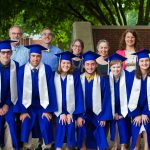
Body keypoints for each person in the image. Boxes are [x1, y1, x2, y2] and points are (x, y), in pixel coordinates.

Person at [15, 44, 57, 150]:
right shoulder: (21, 70)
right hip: (27, 105)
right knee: (26, 121)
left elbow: (51, 90)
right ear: (29, 56)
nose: (35, 58)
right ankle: (27, 146)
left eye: (38, 56)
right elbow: (19, 91)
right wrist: (23, 111)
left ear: (41, 57)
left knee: (45, 121)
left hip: (43, 104)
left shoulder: (46, 69)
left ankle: (46, 146)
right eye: (33, 56)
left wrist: (48, 110)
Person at [77, 51, 113, 150]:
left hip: (98, 113)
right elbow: (76, 99)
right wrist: (79, 116)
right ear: (83, 65)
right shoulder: (78, 79)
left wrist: (103, 117)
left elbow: (106, 99)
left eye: (93, 64)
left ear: (96, 65)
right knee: (81, 126)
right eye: (87, 64)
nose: (90, 66)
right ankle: (82, 147)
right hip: (83, 113)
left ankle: (99, 147)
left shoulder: (102, 79)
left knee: (100, 128)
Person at [53, 51, 84, 150]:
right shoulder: (54, 76)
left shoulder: (74, 77)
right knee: (61, 122)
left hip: (72, 109)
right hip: (58, 109)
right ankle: (58, 146)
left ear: (71, 64)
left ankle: (69, 146)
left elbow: (79, 95)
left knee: (70, 122)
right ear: (59, 64)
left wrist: (73, 113)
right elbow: (52, 96)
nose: (66, 65)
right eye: (63, 63)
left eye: (68, 63)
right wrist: (61, 112)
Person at [105, 53, 132, 150]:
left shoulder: (127, 77)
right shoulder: (107, 79)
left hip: (124, 108)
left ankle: (123, 144)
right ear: (110, 67)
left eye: (118, 67)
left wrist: (122, 113)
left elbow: (130, 96)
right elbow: (106, 99)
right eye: (114, 67)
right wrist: (114, 112)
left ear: (122, 67)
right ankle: (116, 144)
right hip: (112, 109)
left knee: (122, 122)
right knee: (114, 122)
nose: (116, 69)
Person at [128, 49, 150, 150]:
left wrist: (145, 112)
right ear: (138, 62)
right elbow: (128, 95)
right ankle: (136, 146)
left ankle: (146, 145)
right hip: (135, 109)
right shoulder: (131, 75)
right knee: (136, 123)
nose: (144, 63)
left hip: (148, 109)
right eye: (142, 61)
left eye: (147, 60)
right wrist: (137, 114)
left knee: (146, 122)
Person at [0, 40, 19, 150]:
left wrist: (7, 104)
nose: (6, 55)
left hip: (10, 101)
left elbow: (15, 87)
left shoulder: (15, 66)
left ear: (11, 53)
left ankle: (9, 147)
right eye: (3, 52)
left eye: (8, 52)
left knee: (10, 120)